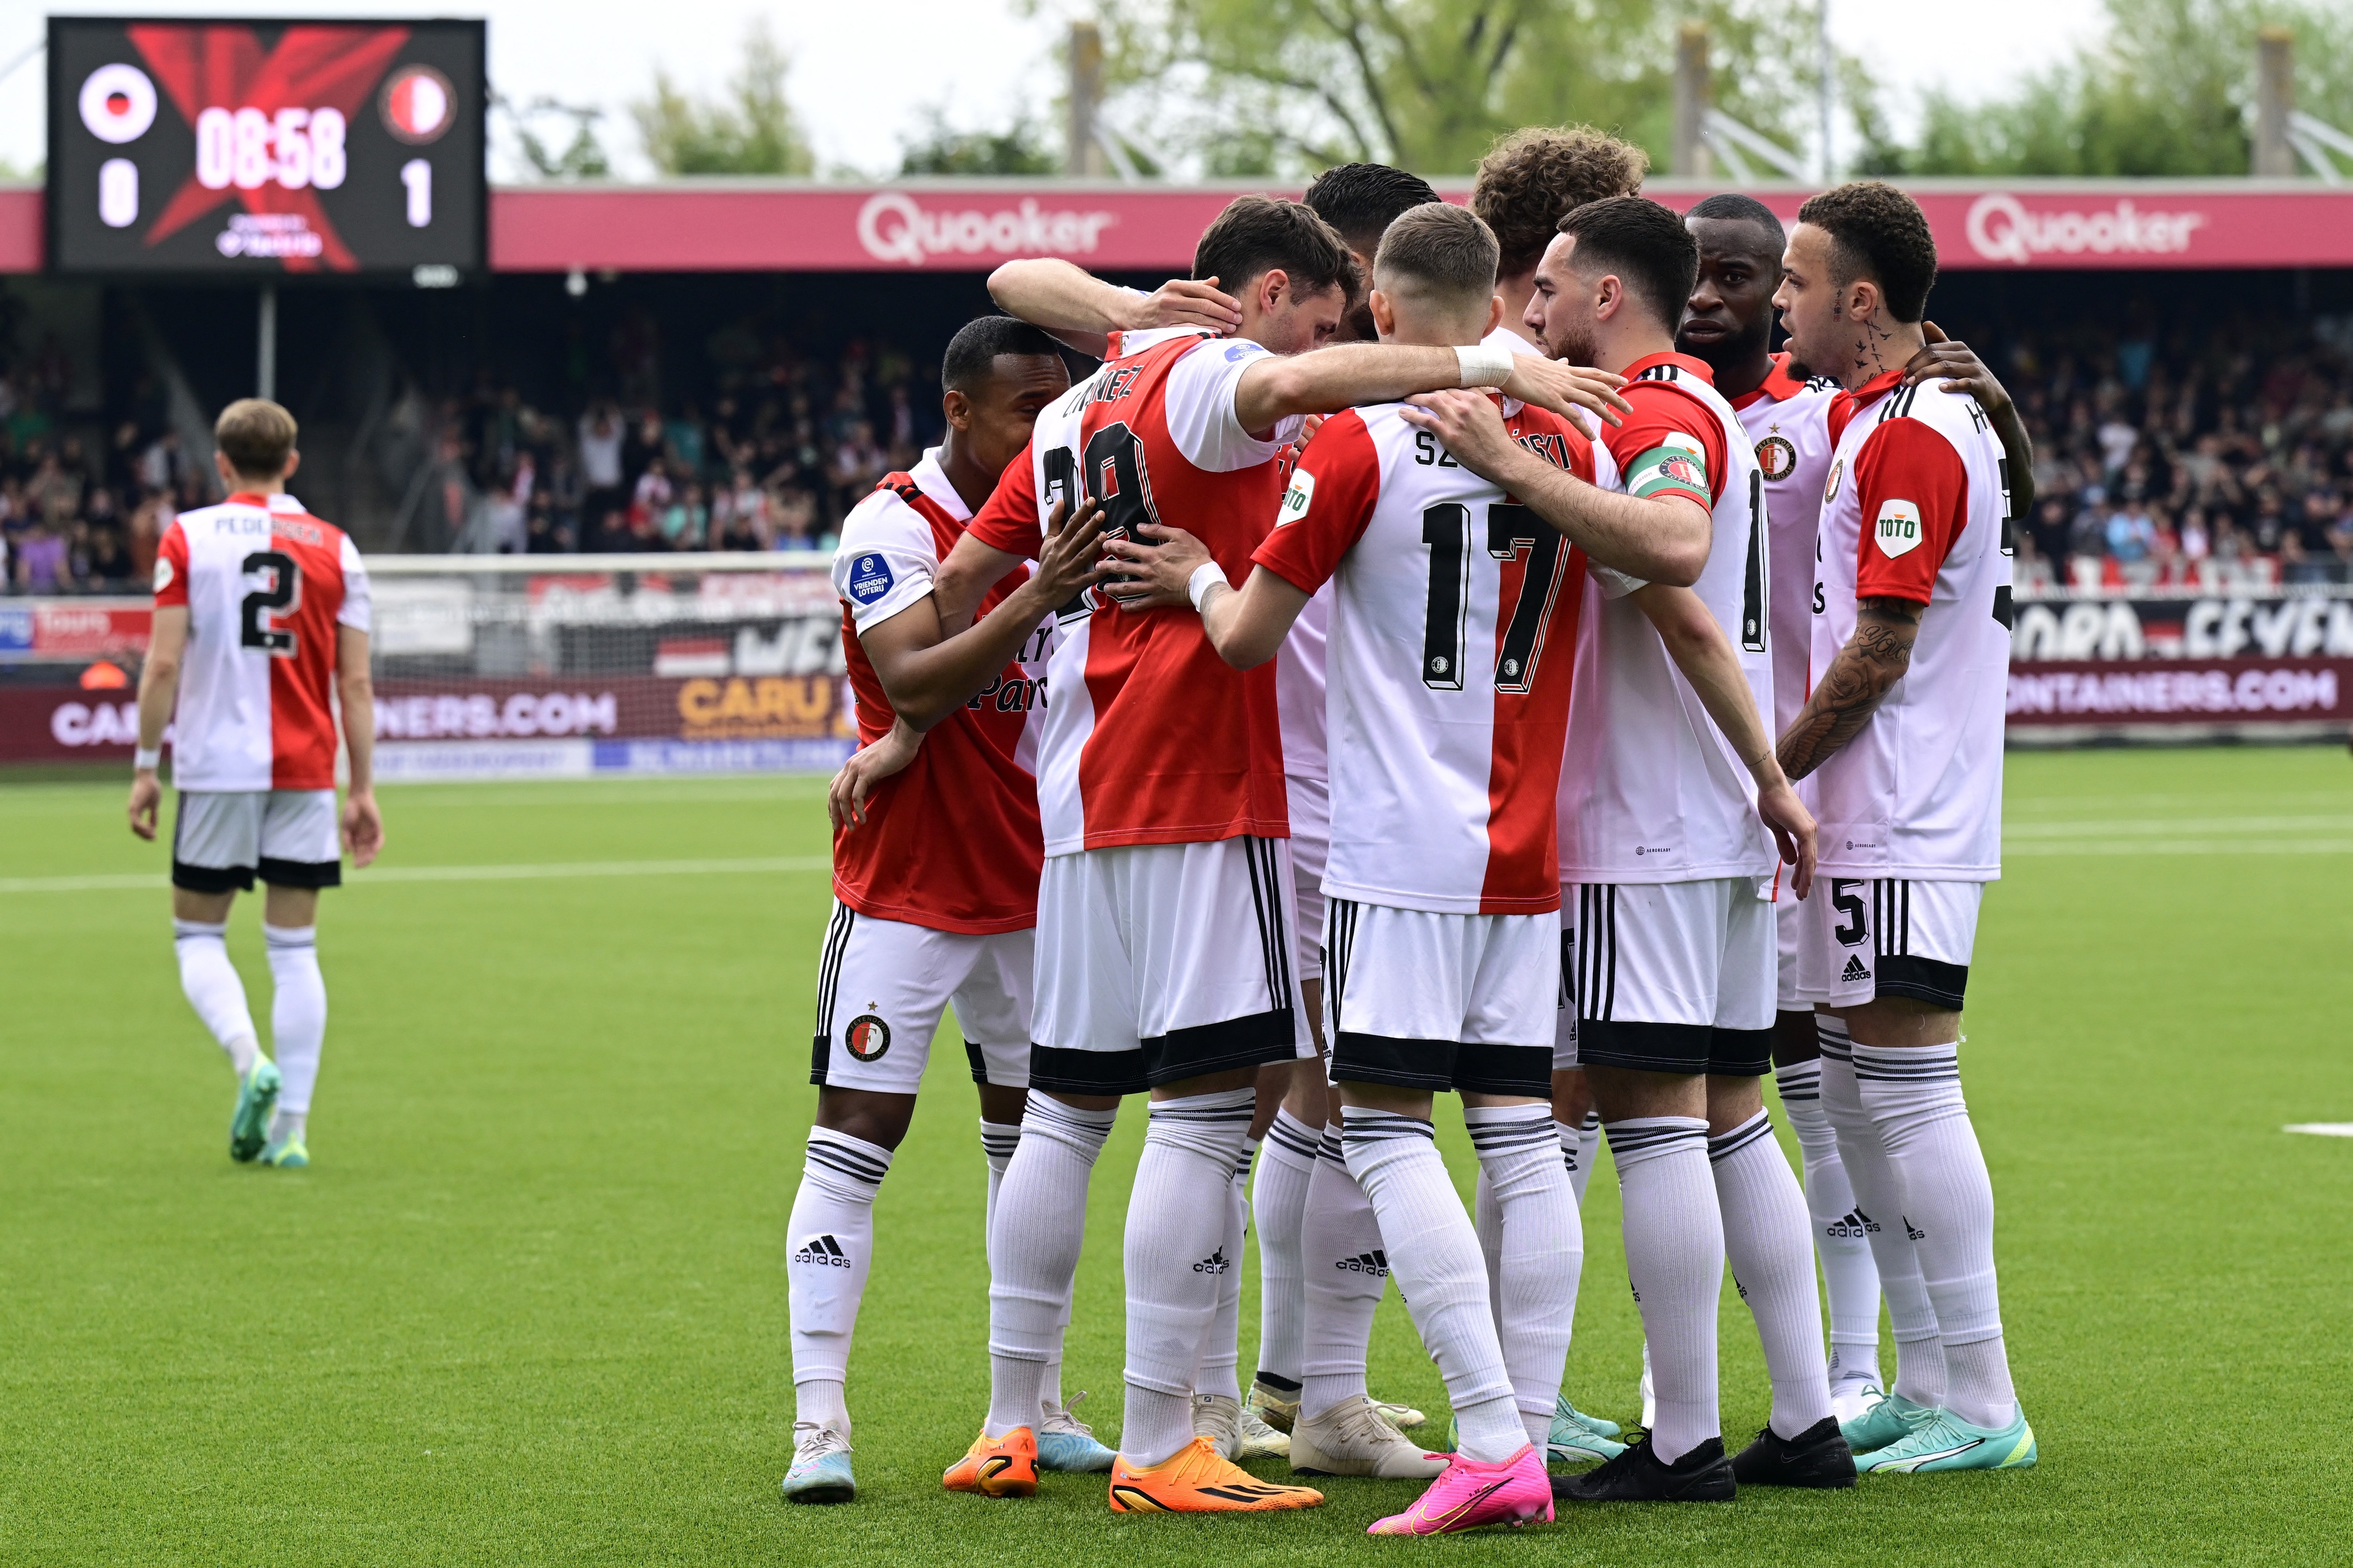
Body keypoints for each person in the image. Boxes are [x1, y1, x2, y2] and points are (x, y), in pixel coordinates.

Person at [936, 194, 1625, 1514]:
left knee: (1064, 1111)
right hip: (1206, 782)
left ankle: (1010, 1417)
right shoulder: (1218, 384)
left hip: (1075, 788)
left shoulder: (1079, 407)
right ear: (1260, 297)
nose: (1319, 347)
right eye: (1310, 316)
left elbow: (970, 576)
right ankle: (1161, 1439)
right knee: (1205, 1115)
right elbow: (1297, 392)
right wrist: (1488, 360)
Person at [1402, 196, 1832, 1501]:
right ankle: (1805, 1418)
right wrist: (1764, 778)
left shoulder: (1648, 413)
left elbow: (1672, 554)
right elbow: (1696, 622)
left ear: (1601, 294)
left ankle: (1684, 1439)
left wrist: (1508, 463)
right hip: (1703, 811)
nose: (1525, 312)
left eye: (1544, 286)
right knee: (1729, 1113)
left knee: (1652, 1122)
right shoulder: (1693, 404)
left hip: (1643, 824)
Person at [1678, 192, 2039, 1432]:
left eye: (1795, 278)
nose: (1780, 299)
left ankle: (1979, 1394)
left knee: (1906, 1093)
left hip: (1895, 810)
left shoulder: (1911, 433)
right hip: (1869, 814)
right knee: (1846, 1096)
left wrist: (1767, 773)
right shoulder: (1894, 413)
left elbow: (1877, 650)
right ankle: (1922, 1378)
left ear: (1860, 301)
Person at [780, 318, 1116, 1505]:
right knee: (854, 1140)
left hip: (1037, 888)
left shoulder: (1061, 519)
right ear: (961, 411)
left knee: (1035, 1153)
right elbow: (914, 674)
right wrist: (1038, 600)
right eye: (1025, 406)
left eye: (1056, 403)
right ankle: (819, 1420)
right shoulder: (891, 526)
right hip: (908, 888)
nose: (1046, 429)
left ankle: (1030, 1409)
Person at [1464, 121, 1648, 1448]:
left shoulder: (1428, 368)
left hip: (1434, 797)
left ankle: (1321, 1382)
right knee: (1544, 1109)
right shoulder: (1558, 400)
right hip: (1555, 795)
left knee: (1357, 1104)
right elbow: (1674, 579)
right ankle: (1511, 1407)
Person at [125, 398, 381, 1172]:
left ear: (222, 462)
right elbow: (358, 685)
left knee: (199, 935)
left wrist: (145, 765)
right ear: (294, 463)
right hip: (304, 769)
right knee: (294, 948)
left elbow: (163, 664)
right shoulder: (339, 549)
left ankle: (249, 1061)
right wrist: (361, 788)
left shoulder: (189, 536)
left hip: (214, 769)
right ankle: (291, 1129)